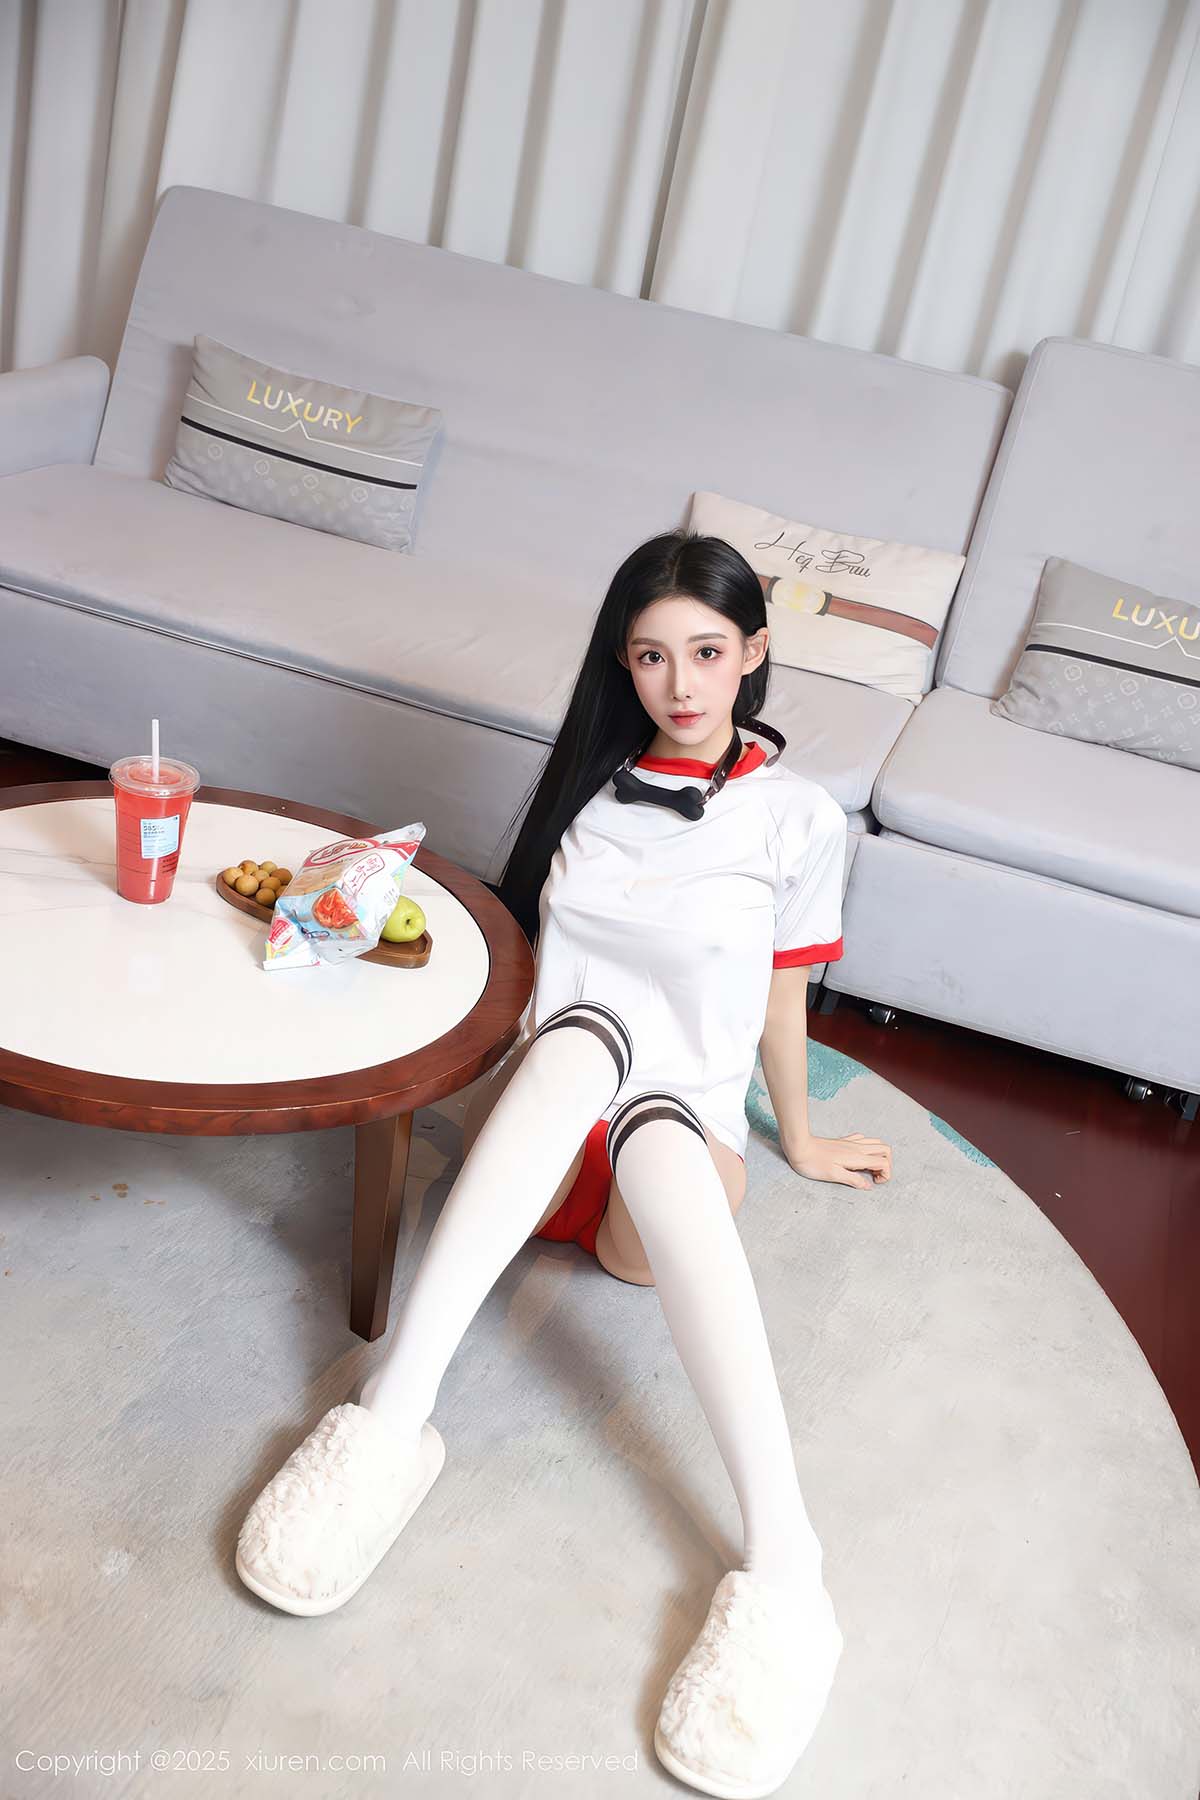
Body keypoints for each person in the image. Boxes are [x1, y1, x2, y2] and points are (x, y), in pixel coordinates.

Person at [235, 529, 892, 1798]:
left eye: (707, 652)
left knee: (656, 1119)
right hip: (539, 1135)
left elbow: (781, 996)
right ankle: (389, 1423)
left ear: (755, 653)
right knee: (582, 1040)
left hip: (667, 1160)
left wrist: (800, 1137)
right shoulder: (590, 789)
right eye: (650, 657)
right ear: (622, 665)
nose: (681, 685)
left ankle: (788, 1566)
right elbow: (525, 969)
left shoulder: (801, 818)